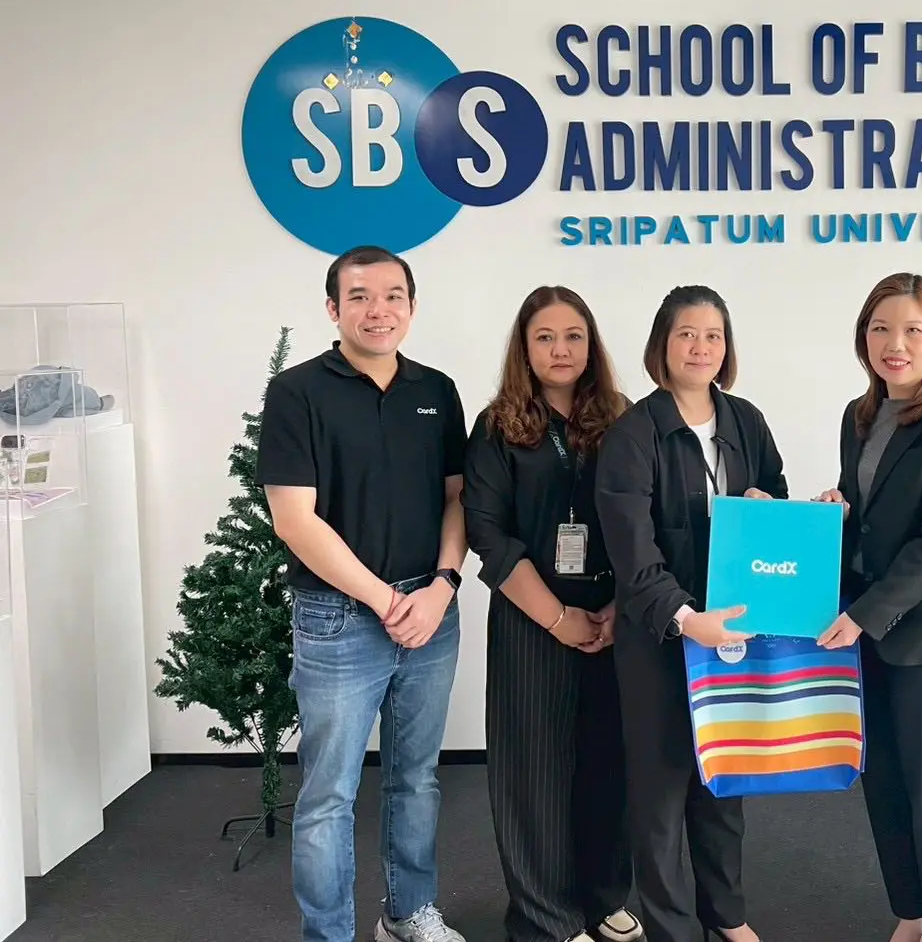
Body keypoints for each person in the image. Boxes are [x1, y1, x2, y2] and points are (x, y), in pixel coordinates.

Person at [257, 245, 470, 942]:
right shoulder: (296, 393)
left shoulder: (436, 390)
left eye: (392, 296)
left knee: (417, 779)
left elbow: (457, 498)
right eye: (359, 297)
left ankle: (408, 913)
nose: (378, 310)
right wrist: (385, 600)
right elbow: (294, 520)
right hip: (339, 618)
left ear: (411, 306)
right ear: (333, 308)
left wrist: (442, 586)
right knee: (328, 795)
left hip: (431, 612)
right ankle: (329, 934)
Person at [595, 284, 787, 942]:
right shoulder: (633, 434)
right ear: (662, 344)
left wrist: (767, 506)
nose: (701, 347)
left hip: (731, 637)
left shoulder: (746, 421)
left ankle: (726, 916)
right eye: (686, 334)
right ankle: (672, 929)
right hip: (659, 638)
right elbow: (633, 554)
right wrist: (684, 618)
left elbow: (776, 497)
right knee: (660, 793)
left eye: (713, 336)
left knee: (723, 782)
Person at [460, 285, 644, 942]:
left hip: (614, 619)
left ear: (591, 344)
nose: (560, 349)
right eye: (544, 337)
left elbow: (644, 519)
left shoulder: (623, 418)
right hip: (532, 618)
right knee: (534, 775)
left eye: (573, 336)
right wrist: (558, 618)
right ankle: (546, 920)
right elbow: (487, 533)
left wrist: (621, 606)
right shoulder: (497, 426)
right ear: (524, 348)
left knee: (607, 766)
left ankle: (601, 898)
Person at [813, 273, 922, 942]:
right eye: (881, 328)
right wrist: (836, 514)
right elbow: (868, 522)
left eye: (913, 329)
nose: (896, 343)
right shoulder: (859, 415)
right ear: (863, 337)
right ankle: (912, 916)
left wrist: (866, 613)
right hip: (866, 630)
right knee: (883, 782)